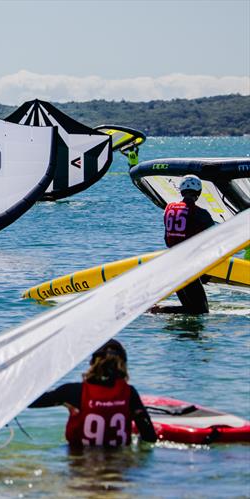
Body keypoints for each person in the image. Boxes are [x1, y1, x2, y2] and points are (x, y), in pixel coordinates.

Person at [29, 339, 157, 448]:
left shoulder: (72, 392)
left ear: (92, 363)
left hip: (81, 463)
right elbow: (150, 437)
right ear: (123, 365)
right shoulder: (130, 393)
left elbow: (27, 402)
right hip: (119, 465)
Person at [154, 175, 216, 314]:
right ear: (199, 193)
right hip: (188, 265)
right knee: (200, 310)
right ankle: (157, 310)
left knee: (191, 308)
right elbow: (215, 239)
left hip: (171, 263)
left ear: (181, 191)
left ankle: (158, 310)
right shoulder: (201, 213)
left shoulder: (169, 208)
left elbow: (167, 238)